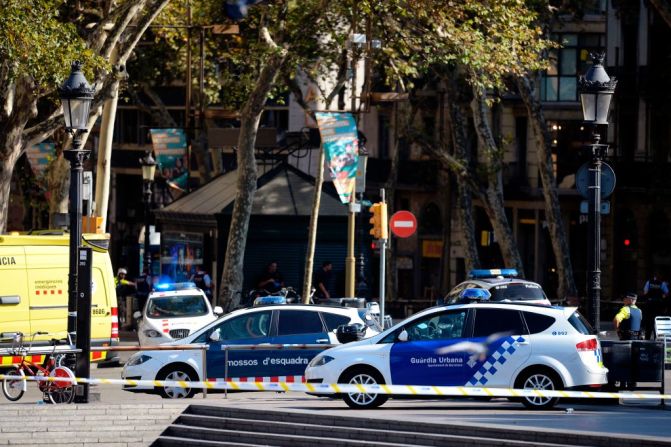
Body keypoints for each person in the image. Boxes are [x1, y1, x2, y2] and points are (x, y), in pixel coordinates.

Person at [642, 272, 669, 339]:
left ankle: (647, 339)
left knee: (648, 323)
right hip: (658, 306)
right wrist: (662, 297)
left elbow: (645, 292)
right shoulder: (662, 283)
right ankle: (656, 339)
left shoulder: (649, 282)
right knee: (657, 322)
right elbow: (667, 293)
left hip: (649, 305)